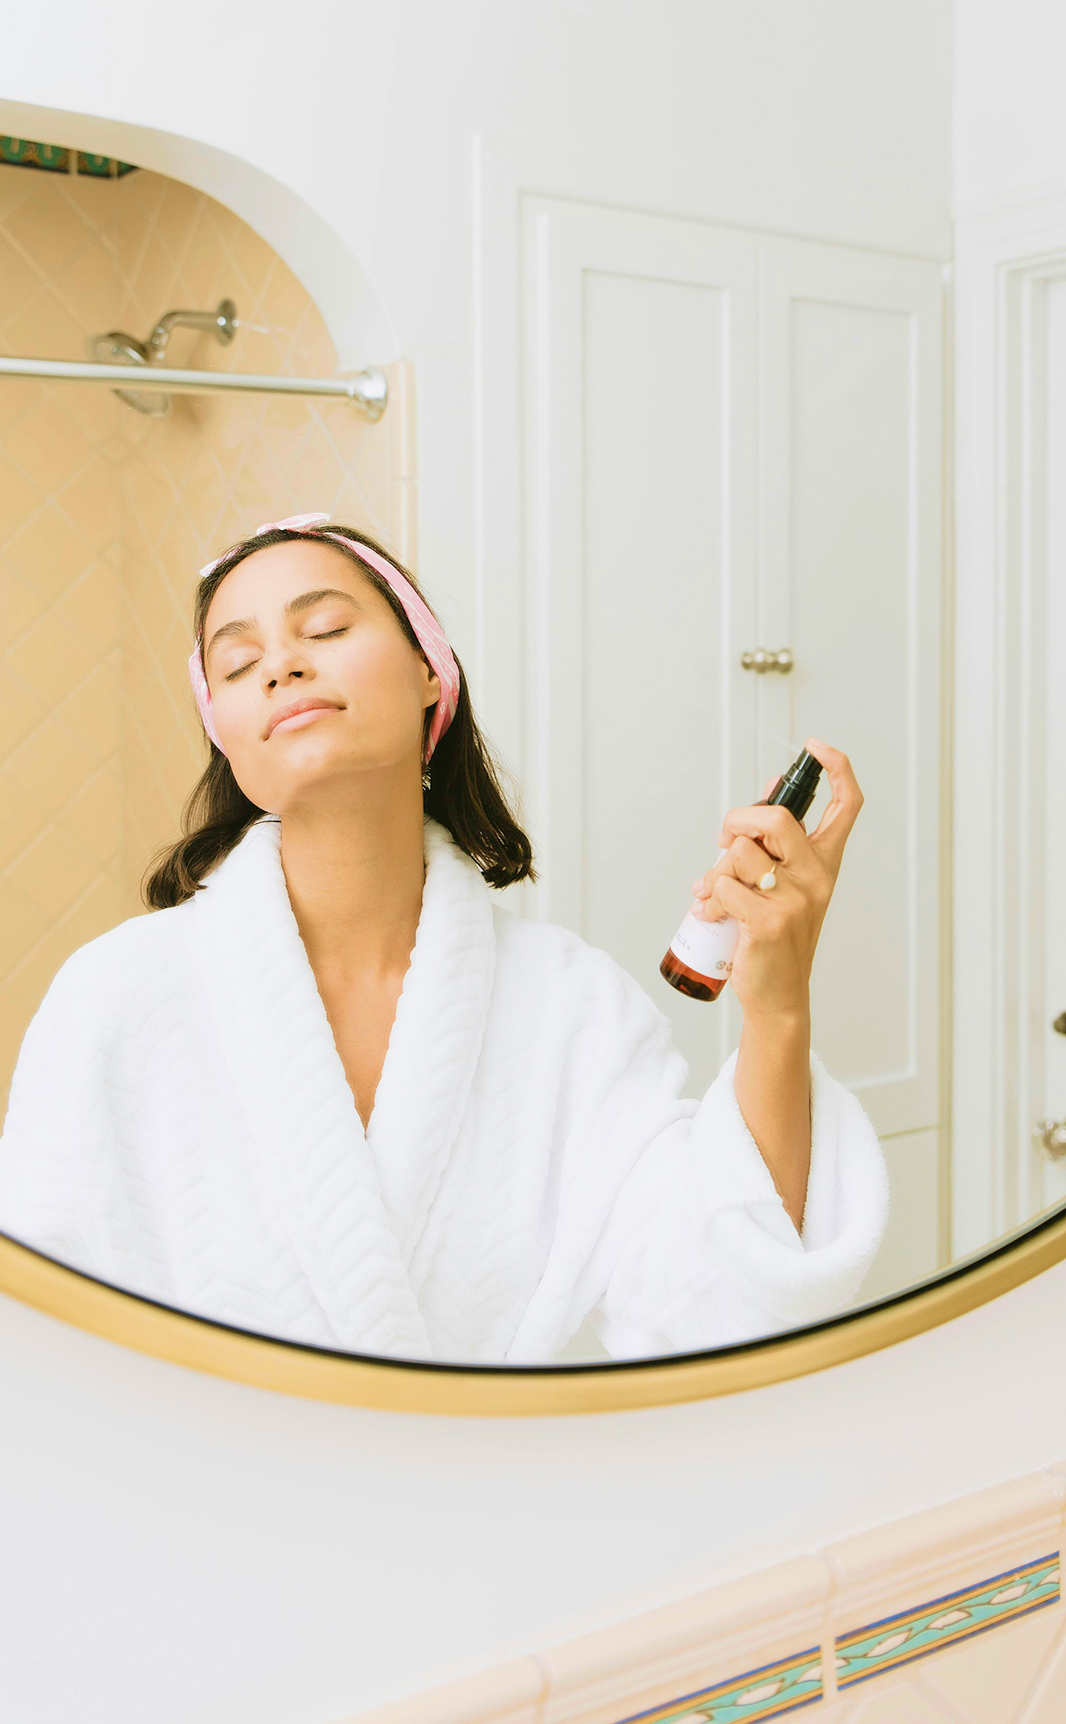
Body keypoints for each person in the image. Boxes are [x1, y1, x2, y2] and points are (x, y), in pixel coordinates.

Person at [0, 513, 887, 1363]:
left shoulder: (571, 1009)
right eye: (237, 664)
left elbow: (718, 1311)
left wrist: (776, 1009)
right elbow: (40, 1348)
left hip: (483, 1506)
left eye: (326, 626)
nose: (281, 667)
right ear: (226, 739)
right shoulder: (116, 997)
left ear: (431, 670)